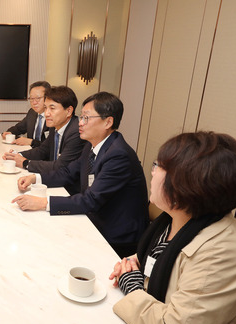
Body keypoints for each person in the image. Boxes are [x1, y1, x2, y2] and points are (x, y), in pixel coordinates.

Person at [109, 132, 236, 324]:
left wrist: (131, 284)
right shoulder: (172, 220)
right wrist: (134, 263)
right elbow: (161, 263)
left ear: (187, 184)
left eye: (159, 167)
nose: (152, 173)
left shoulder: (221, 251)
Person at [12, 92, 149, 257]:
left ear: (108, 122)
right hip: (95, 219)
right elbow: (68, 173)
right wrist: (36, 178)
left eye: (86, 118)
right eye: (81, 117)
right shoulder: (92, 145)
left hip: (116, 236)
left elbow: (90, 200)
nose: (80, 123)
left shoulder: (118, 155)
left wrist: (42, 203)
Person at [2, 85, 87, 177]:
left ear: (69, 111)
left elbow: (61, 166)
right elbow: (42, 151)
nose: (46, 113)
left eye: (52, 108)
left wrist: (25, 163)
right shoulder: (55, 127)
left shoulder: (76, 132)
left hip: (67, 187)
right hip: (53, 177)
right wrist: (17, 155)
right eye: (46, 108)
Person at [1, 81, 52, 147]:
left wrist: (31, 142)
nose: (34, 102)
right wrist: (10, 132)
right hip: (30, 152)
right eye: (31, 98)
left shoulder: (53, 117)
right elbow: (19, 128)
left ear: (48, 98)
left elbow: (51, 146)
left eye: (38, 98)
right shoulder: (32, 112)